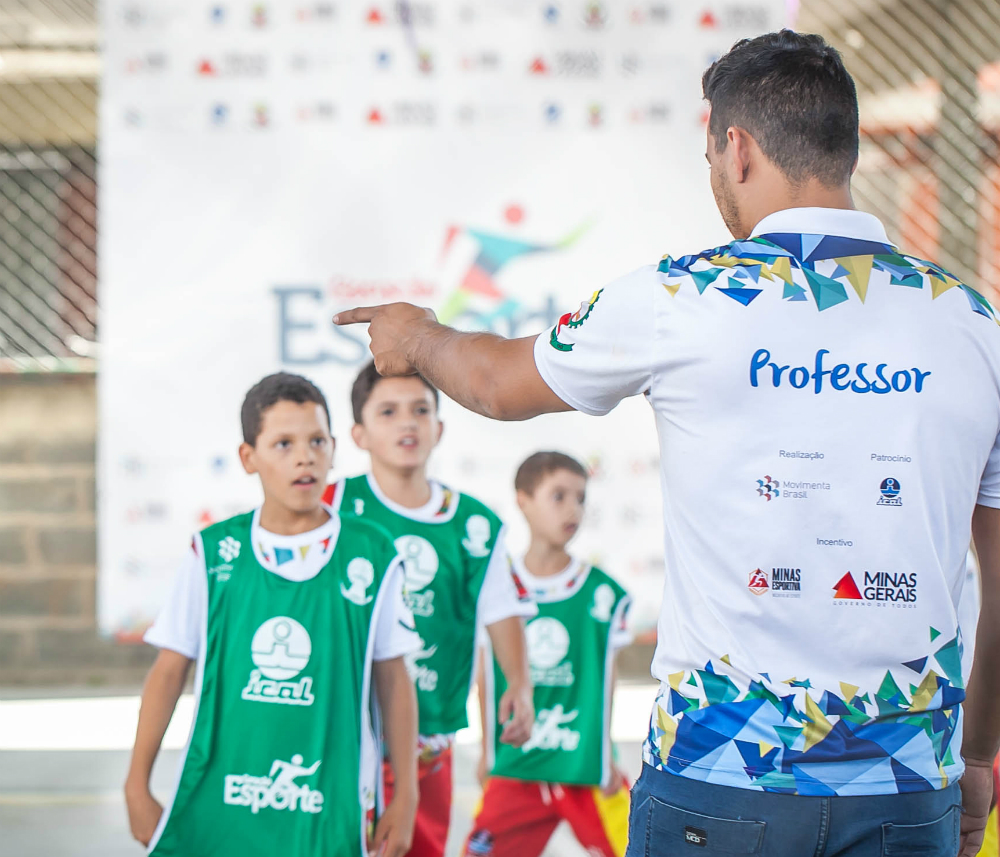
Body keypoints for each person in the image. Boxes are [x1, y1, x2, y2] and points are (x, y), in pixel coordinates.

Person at [334, 30, 1000, 857]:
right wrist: (976, 755)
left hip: (716, 780)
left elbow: (496, 383)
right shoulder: (974, 326)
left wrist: (416, 334)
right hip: (907, 783)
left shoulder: (682, 296)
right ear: (846, 149)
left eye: (711, 154)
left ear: (739, 148)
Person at [124, 373, 419, 857]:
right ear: (249, 458)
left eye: (317, 441)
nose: (305, 456)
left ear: (333, 448)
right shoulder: (215, 552)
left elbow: (393, 679)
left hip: (329, 803)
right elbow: (168, 670)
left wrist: (406, 793)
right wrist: (137, 785)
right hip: (222, 801)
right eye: (283, 443)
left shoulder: (373, 554)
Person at [321, 361, 536, 857]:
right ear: (359, 433)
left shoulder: (474, 525)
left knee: (417, 846)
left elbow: (500, 609)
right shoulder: (330, 506)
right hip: (341, 726)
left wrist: (519, 685)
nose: (407, 422)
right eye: (389, 411)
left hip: (427, 734)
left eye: (420, 410)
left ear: (439, 427)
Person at [466, 451, 631, 857]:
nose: (572, 508)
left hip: (583, 766)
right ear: (522, 500)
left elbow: (606, 678)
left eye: (580, 497)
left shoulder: (603, 593)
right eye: (558, 495)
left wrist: (604, 753)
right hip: (516, 766)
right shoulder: (495, 584)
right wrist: (489, 751)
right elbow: (486, 674)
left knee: (641, 845)